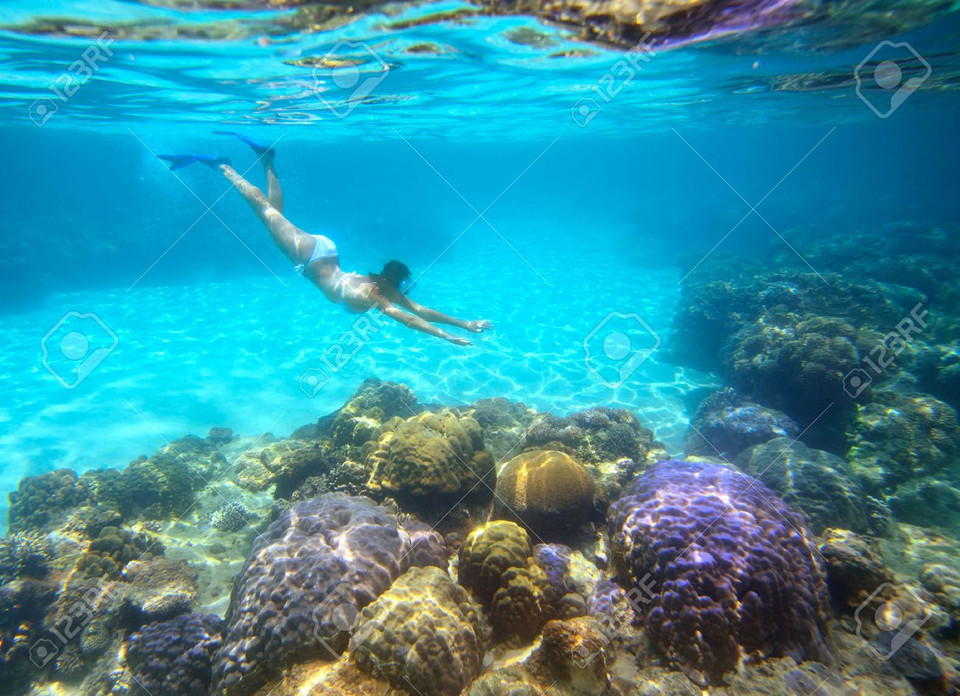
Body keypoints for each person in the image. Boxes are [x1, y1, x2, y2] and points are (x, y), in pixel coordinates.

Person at [159, 133, 492, 346]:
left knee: (276, 215)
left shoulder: (380, 286)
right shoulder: (380, 296)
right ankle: (223, 166)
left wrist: (463, 323)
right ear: (397, 282)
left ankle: (267, 159)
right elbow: (409, 318)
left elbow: (421, 310)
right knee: (264, 211)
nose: (404, 292)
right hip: (309, 257)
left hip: (326, 251)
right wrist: (449, 336)